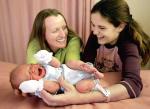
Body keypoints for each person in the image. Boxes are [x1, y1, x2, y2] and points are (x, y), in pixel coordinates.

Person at [32, 0, 150, 106]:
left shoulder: (129, 44)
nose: (94, 31)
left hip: (108, 81)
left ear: (120, 26)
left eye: (102, 28)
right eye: (93, 25)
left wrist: (78, 98)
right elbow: (84, 64)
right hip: (92, 78)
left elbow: (133, 85)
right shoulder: (96, 35)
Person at [10, 50, 104, 96]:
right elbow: (56, 87)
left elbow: (58, 64)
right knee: (80, 87)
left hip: (68, 69)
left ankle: (88, 68)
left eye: (31, 66)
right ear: (31, 84)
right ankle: (93, 82)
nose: (33, 69)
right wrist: (39, 84)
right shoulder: (41, 87)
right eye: (30, 74)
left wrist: (48, 58)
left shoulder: (43, 64)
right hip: (72, 83)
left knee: (70, 62)